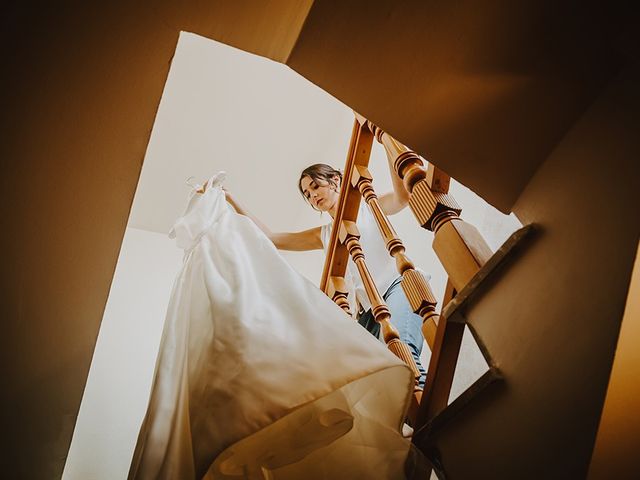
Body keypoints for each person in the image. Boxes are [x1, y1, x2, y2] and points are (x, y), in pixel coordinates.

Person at [225, 163, 427, 389]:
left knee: (403, 352)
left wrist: (390, 143)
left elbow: (402, 197)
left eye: (315, 186)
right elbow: (272, 238)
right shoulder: (325, 234)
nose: (313, 196)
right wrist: (230, 198)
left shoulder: (368, 206)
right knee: (378, 379)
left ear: (335, 181)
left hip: (398, 285)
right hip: (369, 312)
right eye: (308, 194)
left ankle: (433, 413)